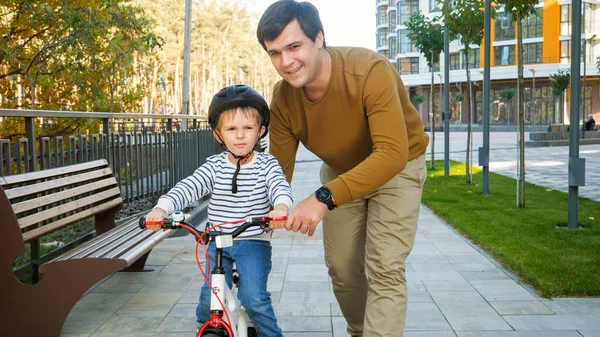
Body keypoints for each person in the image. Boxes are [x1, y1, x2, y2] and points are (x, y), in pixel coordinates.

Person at [257, 1, 430, 336]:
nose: (286, 62)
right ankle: (362, 331)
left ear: (319, 38)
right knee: (342, 269)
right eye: (275, 53)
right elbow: (276, 171)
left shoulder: (368, 71)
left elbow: (391, 153)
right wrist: (258, 211)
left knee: (385, 267)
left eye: (294, 47)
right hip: (341, 170)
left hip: (399, 167)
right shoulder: (283, 100)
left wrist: (322, 197)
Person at [144, 84, 292, 337]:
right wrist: (161, 208)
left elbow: (280, 187)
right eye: (232, 129)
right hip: (217, 242)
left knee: (254, 298)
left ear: (261, 131)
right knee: (207, 299)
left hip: (253, 241)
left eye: (248, 128)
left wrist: (280, 207)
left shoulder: (267, 164)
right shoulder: (213, 166)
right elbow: (188, 187)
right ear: (218, 135)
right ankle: (206, 325)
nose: (240, 136)